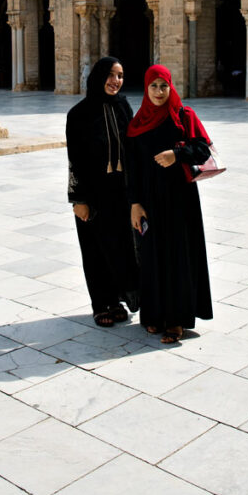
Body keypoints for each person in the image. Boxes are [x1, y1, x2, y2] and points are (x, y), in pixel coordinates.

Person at [127, 64, 213, 344]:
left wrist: (177, 154)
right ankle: (154, 316)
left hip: (180, 200)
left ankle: (176, 321)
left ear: (170, 87)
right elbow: (133, 167)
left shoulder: (183, 115)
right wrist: (134, 203)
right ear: (146, 88)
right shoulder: (138, 122)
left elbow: (202, 149)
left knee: (178, 256)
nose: (159, 91)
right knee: (152, 255)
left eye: (164, 85)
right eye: (153, 86)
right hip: (149, 200)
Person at [66, 57, 139, 327]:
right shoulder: (79, 114)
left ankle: (118, 299)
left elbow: (134, 150)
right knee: (95, 249)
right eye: (110, 75)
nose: (115, 81)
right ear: (98, 77)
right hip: (94, 196)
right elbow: (74, 160)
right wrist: (78, 200)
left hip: (121, 194)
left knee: (121, 248)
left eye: (120, 75)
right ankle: (101, 303)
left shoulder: (123, 107)